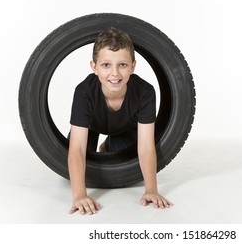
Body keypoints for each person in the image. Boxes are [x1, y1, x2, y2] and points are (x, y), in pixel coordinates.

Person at [67, 27, 173, 215]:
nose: (114, 74)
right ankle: (100, 148)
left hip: (125, 128)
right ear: (94, 67)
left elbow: (146, 146)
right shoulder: (84, 92)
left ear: (133, 66)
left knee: (121, 153)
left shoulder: (145, 93)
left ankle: (108, 145)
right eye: (106, 65)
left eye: (122, 65)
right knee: (84, 160)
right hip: (91, 127)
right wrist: (79, 194)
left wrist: (151, 190)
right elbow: (77, 148)